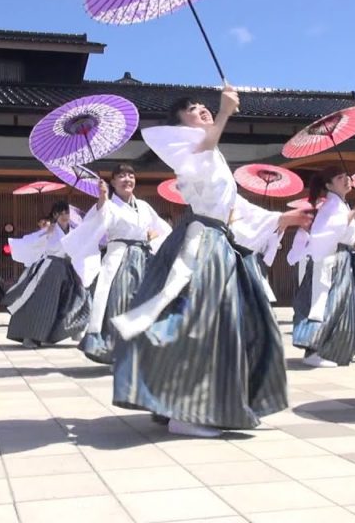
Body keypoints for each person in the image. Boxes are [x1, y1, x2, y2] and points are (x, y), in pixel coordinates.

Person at [109, 87, 310, 438]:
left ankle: (202, 403)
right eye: (191, 109)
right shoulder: (189, 149)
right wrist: (224, 113)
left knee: (224, 326)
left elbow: (238, 209)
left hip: (216, 244)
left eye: (202, 106)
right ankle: (186, 412)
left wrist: (285, 218)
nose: (200, 109)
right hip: (200, 247)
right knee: (196, 323)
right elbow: (204, 150)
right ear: (178, 125)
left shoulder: (212, 153)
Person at [63, 165, 171, 364]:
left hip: (144, 258)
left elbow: (162, 229)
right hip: (120, 259)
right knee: (120, 302)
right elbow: (98, 218)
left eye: (131, 175)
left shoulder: (144, 206)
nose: (127, 179)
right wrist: (102, 198)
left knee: (145, 303)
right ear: (113, 182)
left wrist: (151, 235)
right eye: (121, 176)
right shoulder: (110, 205)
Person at [291, 168, 355, 368]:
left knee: (349, 304)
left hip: (344, 259)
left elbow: (348, 232)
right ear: (329, 185)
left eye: (346, 176)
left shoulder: (340, 204)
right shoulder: (331, 205)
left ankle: (344, 344)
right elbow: (327, 232)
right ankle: (313, 350)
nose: (346, 179)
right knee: (327, 304)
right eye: (339, 177)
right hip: (331, 261)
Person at [2, 201, 90, 348]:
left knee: (78, 298)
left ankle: (76, 328)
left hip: (69, 267)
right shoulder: (50, 229)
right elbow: (30, 241)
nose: (63, 216)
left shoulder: (75, 230)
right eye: (60, 213)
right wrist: (43, 234)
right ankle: (31, 336)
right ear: (54, 215)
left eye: (66, 213)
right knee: (42, 302)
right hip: (51, 268)